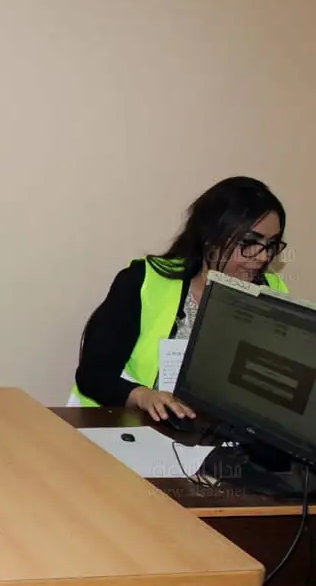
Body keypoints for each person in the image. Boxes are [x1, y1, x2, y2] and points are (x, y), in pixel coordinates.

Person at [71, 176, 289, 417]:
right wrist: (142, 396)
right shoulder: (145, 281)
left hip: (213, 432)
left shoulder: (273, 293)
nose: (262, 257)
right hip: (125, 424)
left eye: (271, 245)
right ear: (210, 237)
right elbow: (94, 375)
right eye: (249, 242)